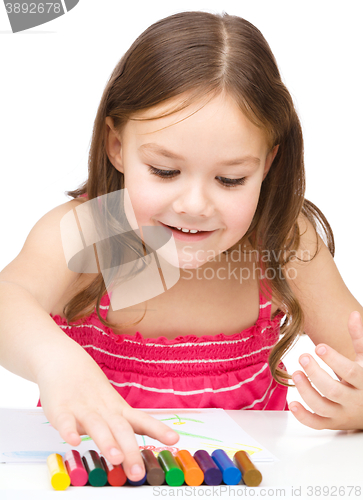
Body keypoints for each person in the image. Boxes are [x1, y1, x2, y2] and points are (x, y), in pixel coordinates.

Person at [0, 11, 362, 483]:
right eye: (165, 171)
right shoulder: (94, 234)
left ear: (268, 163)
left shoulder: (279, 240)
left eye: (230, 179)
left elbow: (355, 352)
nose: (194, 204)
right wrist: (56, 362)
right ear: (116, 146)